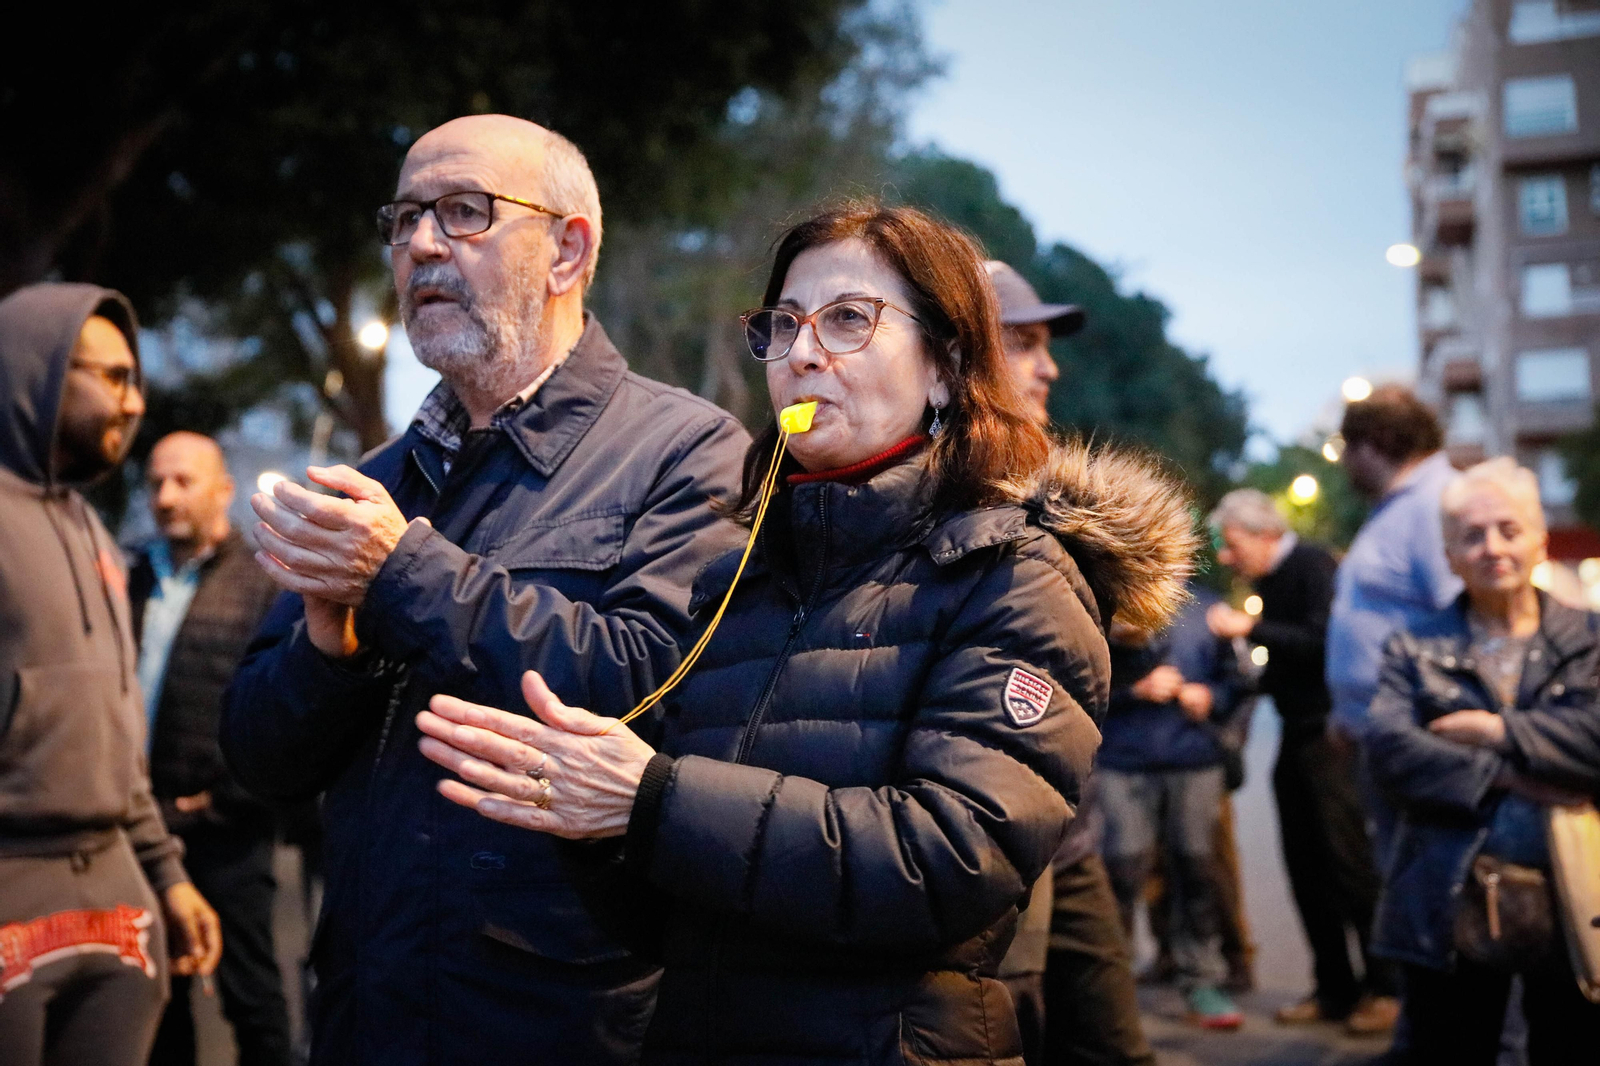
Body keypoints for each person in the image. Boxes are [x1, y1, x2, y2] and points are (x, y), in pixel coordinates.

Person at [411, 202, 1197, 1065]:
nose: (803, 353)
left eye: (850, 320)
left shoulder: (1014, 575)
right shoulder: (735, 582)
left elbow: (952, 861)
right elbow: (669, 919)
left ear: (944, 366)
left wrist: (653, 800)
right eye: (782, 325)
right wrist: (594, 824)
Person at [221, 116, 749, 1066]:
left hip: (556, 1020)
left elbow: (657, 690)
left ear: (566, 250)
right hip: (362, 1010)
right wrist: (325, 644)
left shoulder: (689, 451)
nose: (422, 243)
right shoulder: (374, 478)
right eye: (407, 217)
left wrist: (403, 574)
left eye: (464, 213)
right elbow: (258, 756)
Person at [0, 284, 222, 1066]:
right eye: (114, 377)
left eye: (136, 379)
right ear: (41, 370)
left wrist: (166, 876)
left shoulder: (94, 531)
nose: (134, 402)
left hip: (115, 895)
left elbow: (118, 736)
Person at [1365, 458, 1600, 1064]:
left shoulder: (1589, 638)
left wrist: (1494, 729)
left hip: (1577, 890)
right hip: (1450, 893)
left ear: (1539, 538)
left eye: (1508, 529)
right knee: (1451, 1047)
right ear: (1448, 554)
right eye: (1471, 535)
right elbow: (1390, 752)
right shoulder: (1413, 647)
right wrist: (1513, 774)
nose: (1492, 547)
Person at [986, 258, 1156, 1066]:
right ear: (959, 349)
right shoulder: (903, 504)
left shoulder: (1051, 514)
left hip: (1071, 841)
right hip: (979, 858)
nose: (1049, 366)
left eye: (1046, 344)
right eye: (1022, 342)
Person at [1207, 489, 1398, 1033]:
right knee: (1304, 867)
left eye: (1233, 543)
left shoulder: (1312, 564)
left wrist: (1250, 630)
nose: (1226, 556)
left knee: (1348, 864)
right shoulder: (1272, 579)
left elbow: (1323, 643)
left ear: (1265, 533)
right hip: (1296, 735)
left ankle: (1385, 989)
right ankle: (1334, 988)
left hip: (1327, 738)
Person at [132, 432, 291, 1066]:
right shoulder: (129, 575)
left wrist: (227, 796)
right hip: (144, 827)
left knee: (250, 997)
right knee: (157, 997)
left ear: (224, 491)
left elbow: (282, 712)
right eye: (155, 483)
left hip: (227, 830)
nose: (165, 497)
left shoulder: (264, 584)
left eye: (183, 481)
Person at [1098, 588, 1248, 1029]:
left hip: (1194, 759)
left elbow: (1239, 679)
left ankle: (1203, 979)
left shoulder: (1208, 610)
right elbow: (1076, 679)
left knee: (1196, 871)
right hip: (1123, 761)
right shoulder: (1109, 604)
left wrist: (1213, 697)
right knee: (1120, 875)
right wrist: (1132, 690)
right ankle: (1109, 987)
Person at [1327, 384, 1463, 859]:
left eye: (1348, 449)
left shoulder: (1435, 504)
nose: (1345, 463)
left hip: (1414, 735)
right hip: (1382, 730)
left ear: (1375, 443)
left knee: (1418, 881)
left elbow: (1462, 618)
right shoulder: (1400, 505)